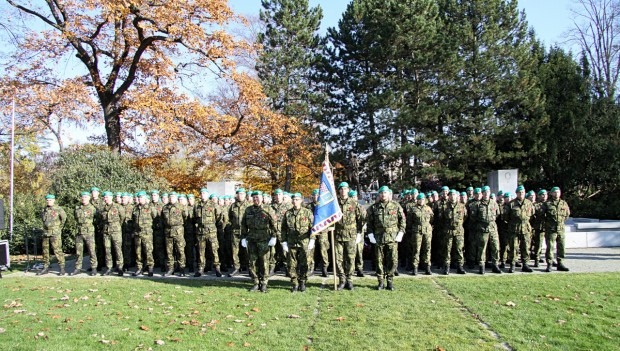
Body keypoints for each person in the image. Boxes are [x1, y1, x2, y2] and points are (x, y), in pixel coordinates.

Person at [366, 186, 405, 290]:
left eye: (385, 193)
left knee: (392, 260)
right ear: (379, 195)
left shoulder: (396, 206)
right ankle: (380, 282)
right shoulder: (374, 208)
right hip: (379, 238)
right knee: (379, 261)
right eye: (381, 193)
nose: (383, 195)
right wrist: (370, 235)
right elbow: (369, 223)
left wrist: (401, 232)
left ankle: (390, 281)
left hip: (392, 238)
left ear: (389, 194)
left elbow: (403, 221)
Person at [241, 191, 279, 292]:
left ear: (262, 198)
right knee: (252, 262)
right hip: (252, 239)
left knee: (264, 262)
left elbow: (274, 224)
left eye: (257, 197)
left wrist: (274, 237)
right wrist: (243, 237)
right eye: (253, 198)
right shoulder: (248, 210)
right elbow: (243, 224)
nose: (255, 199)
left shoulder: (268, 209)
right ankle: (255, 282)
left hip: (264, 239)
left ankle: (264, 283)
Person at [333, 182, 365, 290]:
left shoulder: (354, 203)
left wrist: (359, 233)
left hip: (351, 235)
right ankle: (342, 280)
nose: (343, 191)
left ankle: (350, 280)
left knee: (351, 259)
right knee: (338, 259)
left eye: (345, 189)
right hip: (338, 235)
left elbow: (361, 219)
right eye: (341, 189)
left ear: (348, 190)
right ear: (339, 191)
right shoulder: (335, 203)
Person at [281, 193, 315, 292]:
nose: (295, 201)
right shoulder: (288, 213)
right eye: (294, 199)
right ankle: (294, 283)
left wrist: (312, 239)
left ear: (301, 200)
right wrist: (283, 242)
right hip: (291, 242)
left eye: (297, 199)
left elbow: (313, 228)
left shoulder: (307, 212)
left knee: (305, 263)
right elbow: (283, 229)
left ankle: (303, 281)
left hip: (304, 242)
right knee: (291, 264)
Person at [471, 186, 502, 274]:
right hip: (482, 229)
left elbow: (497, 214)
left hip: (492, 228)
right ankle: (481, 265)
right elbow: (473, 217)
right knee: (482, 248)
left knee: (495, 247)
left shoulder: (494, 203)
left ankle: (495, 265)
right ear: (482, 193)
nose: (486, 193)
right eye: (484, 192)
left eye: (488, 192)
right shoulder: (477, 204)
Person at [504, 185, 535, 273]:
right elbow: (506, 217)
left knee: (525, 247)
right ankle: (512, 265)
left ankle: (525, 264)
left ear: (525, 193)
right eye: (519, 192)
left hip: (525, 229)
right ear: (516, 193)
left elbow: (532, 215)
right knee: (513, 247)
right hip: (514, 229)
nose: (521, 194)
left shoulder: (529, 203)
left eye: (522, 192)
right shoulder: (511, 204)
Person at [194, 188, 224, 277]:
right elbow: (195, 218)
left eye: (204, 193)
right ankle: (201, 269)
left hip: (211, 232)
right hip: (201, 232)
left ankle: (217, 268)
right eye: (201, 193)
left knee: (214, 250)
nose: (202, 195)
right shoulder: (197, 205)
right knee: (201, 251)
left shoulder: (213, 204)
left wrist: (212, 225)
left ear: (207, 194)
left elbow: (219, 217)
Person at [438, 189, 467, 275]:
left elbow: (465, 217)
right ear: (449, 196)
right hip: (448, 230)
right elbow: (441, 219)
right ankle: (446, 267)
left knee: (459, 249)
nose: (452, 196)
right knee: (447, 249)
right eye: (451, 195)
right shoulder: (444, 207)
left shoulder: (462, 206)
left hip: (459, 230)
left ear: (457, 196)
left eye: (454, 195)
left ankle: (460, 266)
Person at [543, 187, 571, 272]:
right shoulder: (547, 204)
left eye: (558, 192)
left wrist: (560, 223)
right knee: (550, 247)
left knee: (561, 246)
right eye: (554, 192)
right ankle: (550, 264)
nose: (556, 194)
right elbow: (543, 216)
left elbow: (567, 215)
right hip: (551, 229)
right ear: (551, 194)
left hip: (560, 229)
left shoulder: (563, 203)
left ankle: (560, 263)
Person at [38, 194, 67, 276]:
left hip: (55, 233)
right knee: (45, 251)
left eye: (50, 200)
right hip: (46, 233)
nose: (49, 201)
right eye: (47, 200)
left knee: (57, 250)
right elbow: (43, 220)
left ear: (54, 200)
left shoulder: (58, 209)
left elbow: (64, 218)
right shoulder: (44, 209)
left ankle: (62, 268)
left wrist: (59, 228)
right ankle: (45, 267)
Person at [406, 193, 434, 275]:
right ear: (417, 200)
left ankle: (427, 267)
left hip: (427, 231)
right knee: (416, 250)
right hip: (417, 231)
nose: (421, 201)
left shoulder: (428, 209)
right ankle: (415, 268)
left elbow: (432, 219)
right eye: (419, 199)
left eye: (422, 199)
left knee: (427, 249)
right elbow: (409, 221)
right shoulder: (413, 209)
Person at [305, 189, 331, 277]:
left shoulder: (324, 206)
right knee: (311, 250)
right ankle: (311, 268)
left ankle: (324, 268)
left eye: (317, 195)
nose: (316, 197)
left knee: (323, 249)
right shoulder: (308, 207)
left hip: (322, 231)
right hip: (311, 231)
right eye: (314, 195)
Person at [161, 192, 188, 276]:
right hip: (168, 231)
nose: (171, 198)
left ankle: (182, 268)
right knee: (169, 252)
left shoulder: (181, 206)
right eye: (170, 197)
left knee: (180, 250)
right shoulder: (165, 207)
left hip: (178, 231)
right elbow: (163, 219)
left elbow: (185, 217)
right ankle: (170, 269)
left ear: (176, 198)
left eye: (173, 197)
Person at [99, 191, 126, 276]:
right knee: (107, 250)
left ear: (111, 197)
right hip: (106, 232)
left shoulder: (118, 207)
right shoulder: (102, 208)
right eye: (104, 197)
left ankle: (120, 267)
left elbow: (122, 218)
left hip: (116, 231)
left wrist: (117, 226)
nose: (105, 199)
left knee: (118, 250)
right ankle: (109, 267)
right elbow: (101, 219)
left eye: (107, 197)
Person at [132, 191, 157, 276]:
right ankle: (139, 268)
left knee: (148, 251)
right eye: (139, 197)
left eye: (141, 197)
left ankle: (150, 268)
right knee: (138, 252)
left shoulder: (150, 207)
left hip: (147, 233)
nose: (140, 199)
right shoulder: (135, 208)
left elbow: (155, 218)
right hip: (137, 233)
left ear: (145, 198)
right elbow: (133, 220)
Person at [73, 191, 97, 276]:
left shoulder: (92, 208)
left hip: (89, 232)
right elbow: (76, 218)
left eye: (86, 197)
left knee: (91, 251)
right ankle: (78, 268)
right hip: (79, 232)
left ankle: (94, 268)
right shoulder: (77, 208)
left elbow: (96, 219)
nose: (84, 199)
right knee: (78, 251)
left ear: (89, 198)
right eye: (82, 197)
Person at [228, 188, 250, 277]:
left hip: (247, 231)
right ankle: (236, 268)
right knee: (235, 250)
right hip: (235, 231)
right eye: (239, 194)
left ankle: (250, 268)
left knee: (248, 250)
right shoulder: (233, 206)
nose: (240, 196)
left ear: (245, 195)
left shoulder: (249, 205)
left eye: (242, 194)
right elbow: (230, 217)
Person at [531, 189, 548, 267]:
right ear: (539, 196)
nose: (544, 196)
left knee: (550, 245)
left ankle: (549, 259)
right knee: (538, 244)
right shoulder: (536, 205)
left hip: (549, 227)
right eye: (542, 195)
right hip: (539, 227)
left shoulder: (550, 204)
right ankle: (537, 259)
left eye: (545, 194)